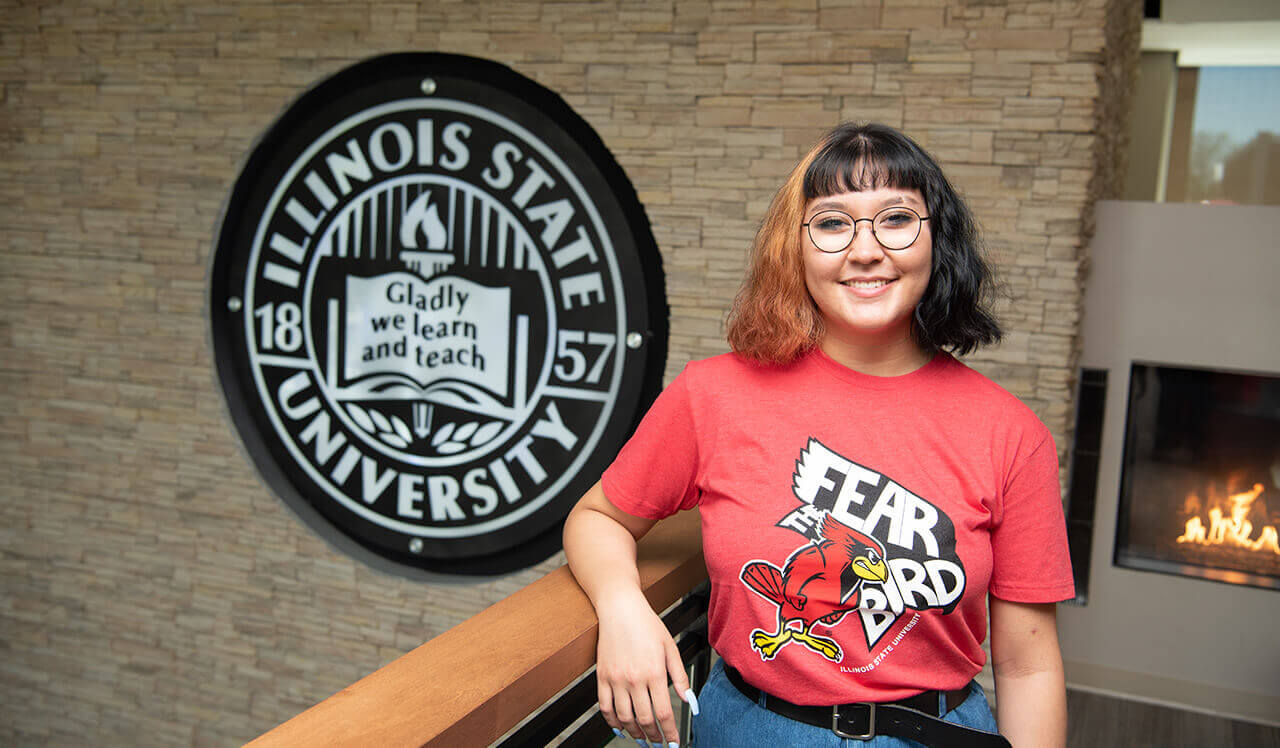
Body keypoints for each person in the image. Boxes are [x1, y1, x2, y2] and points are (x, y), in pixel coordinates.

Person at [563, 122, 1074, 748]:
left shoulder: (1012, 435)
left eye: (895, 219)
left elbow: (1029, 665)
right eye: (832, 223)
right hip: (749, 728)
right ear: (795, 247)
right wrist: (624, 612)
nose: (865, 250)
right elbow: (598, 519)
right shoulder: (711, 395)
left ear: (937, 241)